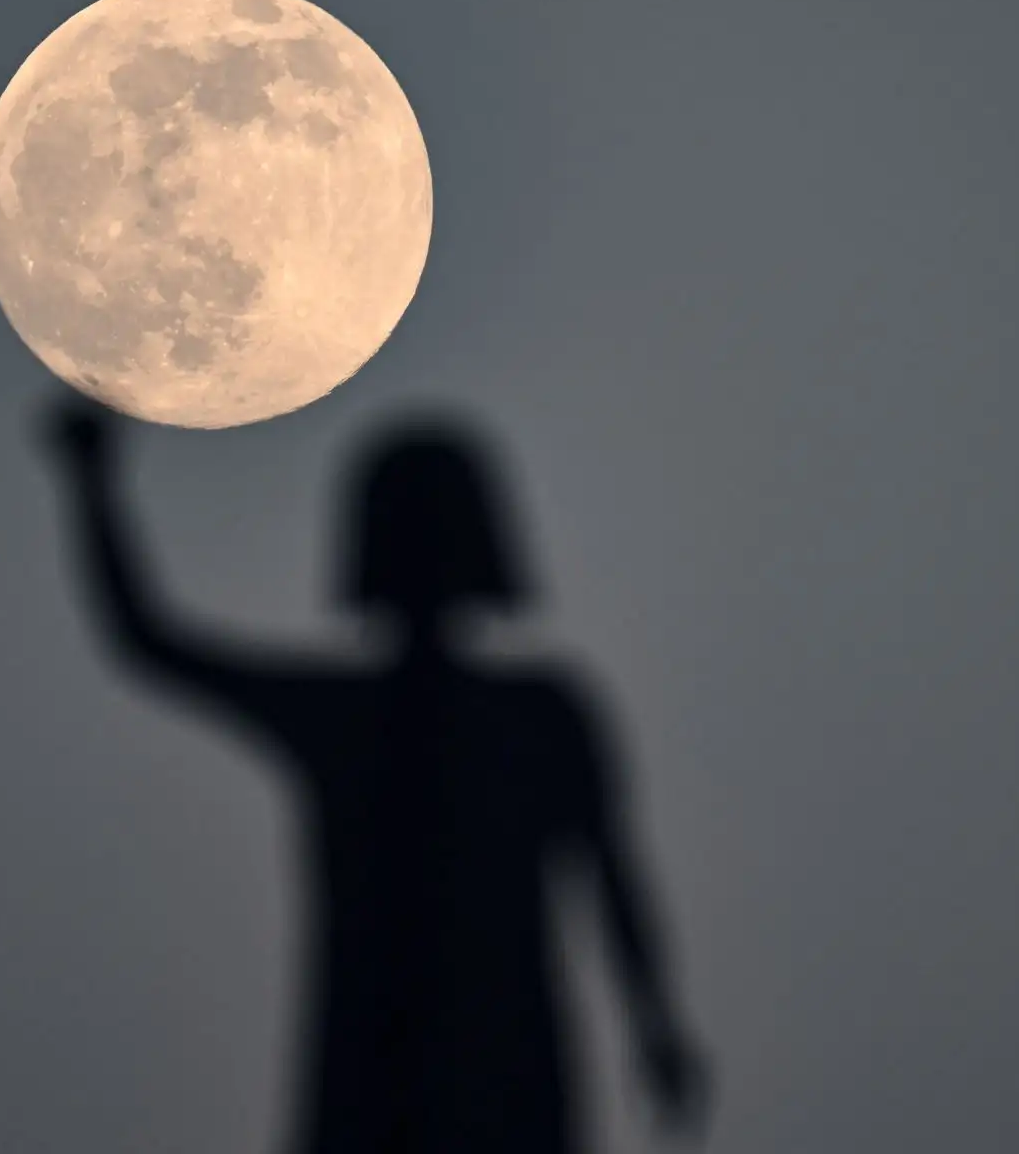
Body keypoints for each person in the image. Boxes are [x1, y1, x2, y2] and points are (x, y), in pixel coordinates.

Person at [42, 393, 710, 1153]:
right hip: (440, 1070)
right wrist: (655, 1026)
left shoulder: (420, 716)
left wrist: (89, 483)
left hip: (455, 1070)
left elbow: (613, 880)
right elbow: (148, 637)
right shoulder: (531, 713)